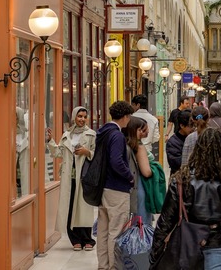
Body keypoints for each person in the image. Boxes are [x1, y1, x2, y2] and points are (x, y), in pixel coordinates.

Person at [150, 128, 221, 268]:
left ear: (197, 151)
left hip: (186, 253)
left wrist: (155, 256)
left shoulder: (181, 182)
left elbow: (164, 224)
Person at [46, 106, 97, 251]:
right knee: (69, 207)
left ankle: (87, 239)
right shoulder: (66, 135)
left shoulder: (91, 134)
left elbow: (97, 154)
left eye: (84, 116)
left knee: (84, 208)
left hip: (84, 176)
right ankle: (74, 239)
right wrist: (50, 141)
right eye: (79, 116)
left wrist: (87, 152)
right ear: (74, 117)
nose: (81, 119)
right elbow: (57, 153)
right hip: (69, 177)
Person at [96, 101, 135, 270]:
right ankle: (114, 267)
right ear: (125, 117)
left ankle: (103, 265)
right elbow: (116, 161)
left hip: (102, 187)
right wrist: (129, 176)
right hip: (117, 188)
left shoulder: (103, 132)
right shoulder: (117, 135)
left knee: (103, 232)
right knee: (116, 232)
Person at [122, 116, 154, 225]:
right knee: (141, 221)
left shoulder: (124, 144)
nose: (144, 132)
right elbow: (146, 171)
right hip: (140, 185)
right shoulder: (139, 147)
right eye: (141, 130)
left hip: (126, 187)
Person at [166, 110, 193, 175]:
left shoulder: (194, 138)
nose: (193, 128)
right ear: (182, 125)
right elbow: (177, 164)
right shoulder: (172, 143)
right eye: (190, 126)